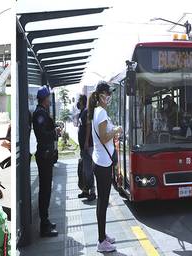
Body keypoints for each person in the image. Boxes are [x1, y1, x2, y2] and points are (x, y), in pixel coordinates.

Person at [88, 82, 123, 252]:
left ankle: (103, 236)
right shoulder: (100, 112)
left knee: (102, 202)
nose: (109, 96)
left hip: (101, 162)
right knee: (102, 203)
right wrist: (116, 130)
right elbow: (103, 138)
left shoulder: (98, 112)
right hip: (102, 164)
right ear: (101, 95)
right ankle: (101, 242)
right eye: (107, 94)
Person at [32, 85, 61, 237]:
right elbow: (43, 135)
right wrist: (55, 132)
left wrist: (54, 129)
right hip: (44, 155)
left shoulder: (41, 112)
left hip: (46, 155)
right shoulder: (39, 114)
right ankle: (44, 225)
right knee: (45, 190)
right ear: (45, 99)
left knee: (46, 189)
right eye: (49, 98)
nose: (50, 100)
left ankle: (46, 221)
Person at [77, 94, 96, 201]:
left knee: (88, 170)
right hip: (83, 147)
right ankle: (85, 191)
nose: (77, 103)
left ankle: (92, 192)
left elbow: (88, 126)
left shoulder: (86, 112)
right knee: (84, 170)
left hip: (87, 146)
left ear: (82, 101)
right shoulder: (82, 112)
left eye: (79, 101)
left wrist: (86, 142)